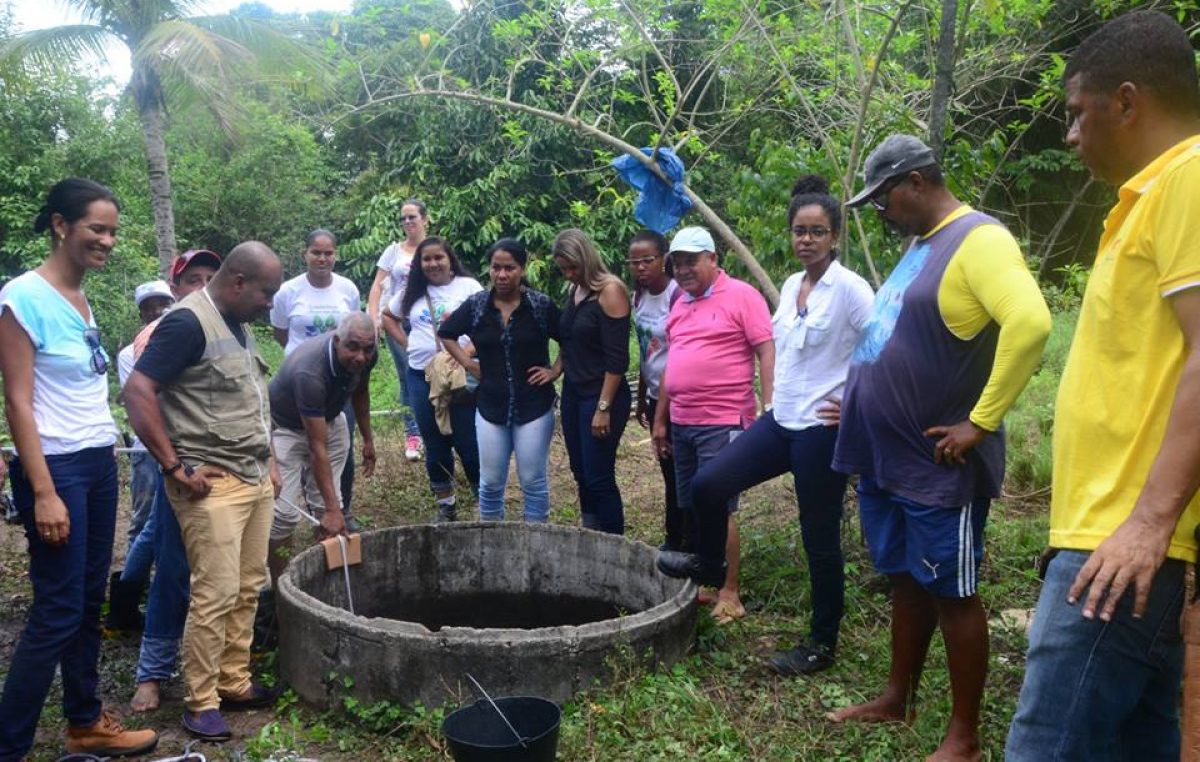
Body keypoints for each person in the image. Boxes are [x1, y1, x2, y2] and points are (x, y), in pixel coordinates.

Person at [1006, 12, 1200, 761]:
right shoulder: (1150, 198)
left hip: (1117, 547)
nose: (1068, 133)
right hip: (1108, 540)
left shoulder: (1187, 178)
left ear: (1127, 101)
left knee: (1044, 749)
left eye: (1076, 112)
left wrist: (1150, 523)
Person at [828, 134, 1051, 762]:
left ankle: (964, 735)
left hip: (938, 466)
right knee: (905, 579)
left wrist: (979, 422)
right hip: (887, 458)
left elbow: (1030, 323)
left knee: (953, 592)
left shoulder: (978, 239)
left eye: (884, 198)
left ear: (917, 182)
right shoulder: (921, 246)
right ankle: (897, 697)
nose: (880, 211)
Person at [661, 177, 873, 664]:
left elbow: (886, 348)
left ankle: (821, 643)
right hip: (783, 421)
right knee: (710, 485)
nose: (806, 240)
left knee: (818, 537)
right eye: (799, 230)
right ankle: (711, 565)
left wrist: (861, 404)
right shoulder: (795, 285)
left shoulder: (851, 290)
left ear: (835, 236)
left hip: (822, 428)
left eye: (817, 231)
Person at [0, 178, 158, 759]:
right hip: (56, 467)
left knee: (88, 597)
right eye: (97, 228)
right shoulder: (22, 297)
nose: (108, 240)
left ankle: (85, 720)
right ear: (61, 226)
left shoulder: (81, 298)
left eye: (113, 230)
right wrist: (42, 491)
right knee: (57, 609)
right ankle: (8, 745)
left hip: (96, 459)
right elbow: (18, 401)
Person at [125, 242, 284, 742]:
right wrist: (173, 466)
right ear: (238, 282)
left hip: (254, 476)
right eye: (266, 292)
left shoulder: (238, 323)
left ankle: (233, 681)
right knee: (214, 593)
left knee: (247, 584)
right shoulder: (187, 322)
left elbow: (251, 399)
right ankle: (200, 700)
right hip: (211, 483)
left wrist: (272, 462)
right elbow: (137, 391)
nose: (270, 304)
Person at [652, 226, 775, 624]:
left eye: (692, 260)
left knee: (719, 506)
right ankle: (705, 579)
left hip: (723, 419)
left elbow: (765, 349)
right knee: (691, 503)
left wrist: (770, 404)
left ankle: (730, 591)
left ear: (712, 259)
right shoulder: (681, 302)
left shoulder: (742, 295)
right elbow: (674, 364)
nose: (684, 269)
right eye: (678, 262)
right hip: (683, 419)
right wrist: (661, 418)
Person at [120, 250, 222, 713]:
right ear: (175, 287)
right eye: (192, 279)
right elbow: (141, 399)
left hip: (227, 465)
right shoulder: (162, 332)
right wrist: (174, 466)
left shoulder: (229, 329)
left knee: (225, 570)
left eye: (210, 278)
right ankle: (153, 674)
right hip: (181, 467)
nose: (202, 286)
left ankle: (220, 664)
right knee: (174, 568)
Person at [438, 239, 562, 522]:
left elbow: (569, 336)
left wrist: (555, 370)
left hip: (534, 405)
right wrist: (469, 363)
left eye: (510, 268)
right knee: (491, 483)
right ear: (489, 269)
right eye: (496, 268)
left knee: (533, 481)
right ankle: (491, 546)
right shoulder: (478, 305)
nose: (502, 275)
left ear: (522, 268)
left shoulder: (539, 305)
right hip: (490, 404)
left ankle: (536, 543)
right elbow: (447, 333)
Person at [268, 312, 376, 585]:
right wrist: (333, 510)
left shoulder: (367, 354)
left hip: (330, 418)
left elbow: (361, 391)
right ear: (337, 340)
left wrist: (368, 440)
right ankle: (280, 589)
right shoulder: (310, 370)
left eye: (367, 348)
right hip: (285, 428)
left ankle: (332, 583)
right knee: (283, 515)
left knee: (329, 506)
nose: (361, 357)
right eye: (352, 347)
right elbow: (317, 448)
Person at [269, 229, 366, 532]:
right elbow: (280, 333)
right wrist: (305, 359)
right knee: (311, 444)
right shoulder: (287, 291)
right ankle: (313, 510)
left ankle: (337, 509)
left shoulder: (347, 289)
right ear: (305, 254)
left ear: (335, 255)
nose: (322, 258)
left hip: (338, 377)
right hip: (302, 379)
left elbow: (355, 334)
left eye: (328, 253)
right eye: (316, 252)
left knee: (339, 447)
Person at [381, 237, 483, 523]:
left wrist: (465, 353)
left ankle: (482, 501)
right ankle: (446, 506)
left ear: (450, 259)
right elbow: (388, 316)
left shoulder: (469, 288)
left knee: (468, 441)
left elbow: (487, 324)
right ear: (419, 264)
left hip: (458, 375)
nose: (433, 264)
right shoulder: (411, 291)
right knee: (434, 442)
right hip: (420, 375)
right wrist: (408, 342)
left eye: (439, 257)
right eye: (427, 259)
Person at [107, 278, 176, 632]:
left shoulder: (179, 338)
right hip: (150, 446)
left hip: (181, 442)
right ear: (141, 311)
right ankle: (130, 597)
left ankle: (135, 597)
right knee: (147, 519)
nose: (157, 309)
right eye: (150, 304)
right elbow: (142, 400)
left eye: (163, 301)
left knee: (162, 522)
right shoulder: (131, 354)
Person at [553, 229, 632, 535]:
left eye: (573, 267)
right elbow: (569, 337)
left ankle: (613, 545)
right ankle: (590, 535)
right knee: (581, 472)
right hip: (573, 392)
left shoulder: (610, 291)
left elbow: (617, 359)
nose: (569, 274)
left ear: (586, 259)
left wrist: (603, 407)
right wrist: (556, 369)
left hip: (601, 395)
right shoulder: (575, 290)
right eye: (563, 269)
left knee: (599, 475)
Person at [628, 231, 685, 551]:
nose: (640, 267)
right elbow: (645, 348)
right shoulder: (639, 295)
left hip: (676, 398)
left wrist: (660, 414)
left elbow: (676, 355)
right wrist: (642, 400)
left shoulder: (676, 295)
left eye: (647, 260)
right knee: (668, 472)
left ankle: (682, 541)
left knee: (680, 472)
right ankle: (675, 538)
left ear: (664, 258)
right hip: (652, 395)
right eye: (634, 262)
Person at [367, 199, 428, 462]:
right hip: (397, 322)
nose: (407, 222)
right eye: (403, 218)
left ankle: (436, 428)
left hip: (427, 322)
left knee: (434, 373)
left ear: (425, 219)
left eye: (412, 217)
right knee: (408, 376)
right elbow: (378, 286)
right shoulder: (393, 251)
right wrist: (373, 319)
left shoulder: (434, 248)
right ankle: (413, 434)